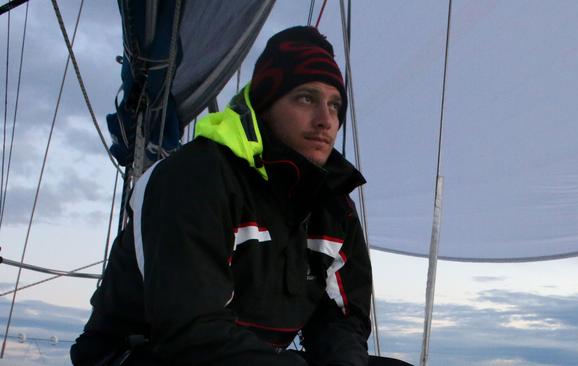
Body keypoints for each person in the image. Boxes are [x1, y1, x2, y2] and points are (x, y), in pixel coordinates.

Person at [71, 26, 412, 366]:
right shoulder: (195, 177)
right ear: (265, 105)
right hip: (141, 354)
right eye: (306, 98)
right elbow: (191, 331)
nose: (326, 120)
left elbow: (340, 320)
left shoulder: (335, 206)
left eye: (335, 105)